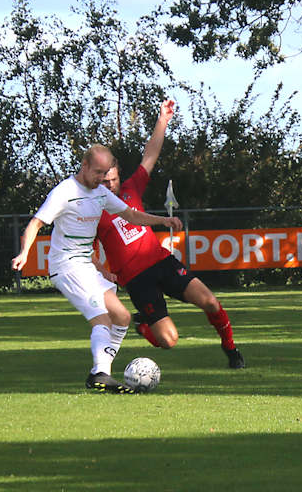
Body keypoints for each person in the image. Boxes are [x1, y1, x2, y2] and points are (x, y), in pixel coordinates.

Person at [11, 144, 183, 392]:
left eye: (105, 173)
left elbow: (131, 215)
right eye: (97, 172)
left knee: (122, 317)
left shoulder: (100, 193)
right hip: (66, 266)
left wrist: (163, 220)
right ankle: (102, 373)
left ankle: (99, 373)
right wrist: (24, 253)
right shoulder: (64, 192)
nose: (101, 179)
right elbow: (35, 224)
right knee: (102, 318)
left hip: (85, 266)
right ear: (84, 166)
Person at [96, 99, 245, 369]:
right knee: (168, 340)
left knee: (210, 302)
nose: (110, 185)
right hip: (137, 280)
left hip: (162, 263)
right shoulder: (91, 210)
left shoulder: (131, 189)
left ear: (119, 177)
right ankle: (144, 326)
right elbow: (85, 250)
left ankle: (231, 349)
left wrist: (163, 120)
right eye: (105, 181)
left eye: (113, 180)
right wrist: (102, 271)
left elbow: (150, 155)